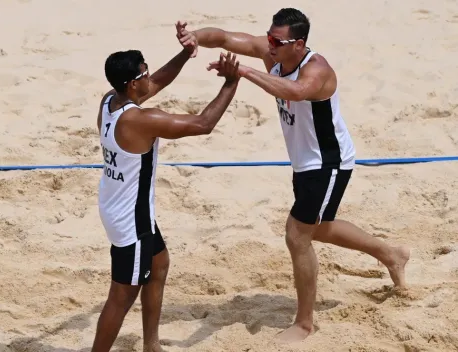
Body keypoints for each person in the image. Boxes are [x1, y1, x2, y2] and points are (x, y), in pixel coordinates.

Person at [176, 8, 411, 344]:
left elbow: (295, 92)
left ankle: (304, 324)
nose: (269, 44)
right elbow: (225, 38)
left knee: (297, 234)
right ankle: (392, 254)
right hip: (304, 161)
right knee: (319, 228)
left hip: (328, 162)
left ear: (298, 44)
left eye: (277, 40)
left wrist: (241, 71)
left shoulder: (317, 70)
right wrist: (195, 37)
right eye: (269, 37)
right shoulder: (272, 52)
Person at [92, 23, 241, 352]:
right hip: (131, 220)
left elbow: (157, 81)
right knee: (121, 297)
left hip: (119, 206)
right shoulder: (140, 121)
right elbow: (203, 124)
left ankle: (152, 345)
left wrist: (186, 54)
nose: (149, 76)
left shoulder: (109, 102)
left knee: (158, 265)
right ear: (132, 83)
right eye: (144, 72)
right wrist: (232, 82)